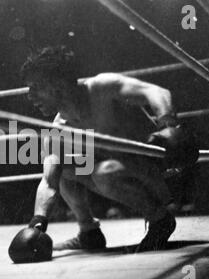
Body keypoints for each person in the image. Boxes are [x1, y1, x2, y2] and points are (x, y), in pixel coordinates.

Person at [11, 46, 198, 256]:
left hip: (167, 171)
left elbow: (155, 92)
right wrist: (37, 224)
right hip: (130, 175)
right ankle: (88, 232)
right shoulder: (59, 130)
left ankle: (160, 220)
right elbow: (49, 181)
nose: (30, 96)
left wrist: (169, 125)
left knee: (103, 173)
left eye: (36, 87)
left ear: (58, 84)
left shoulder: (102, 89)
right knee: (64, 168)